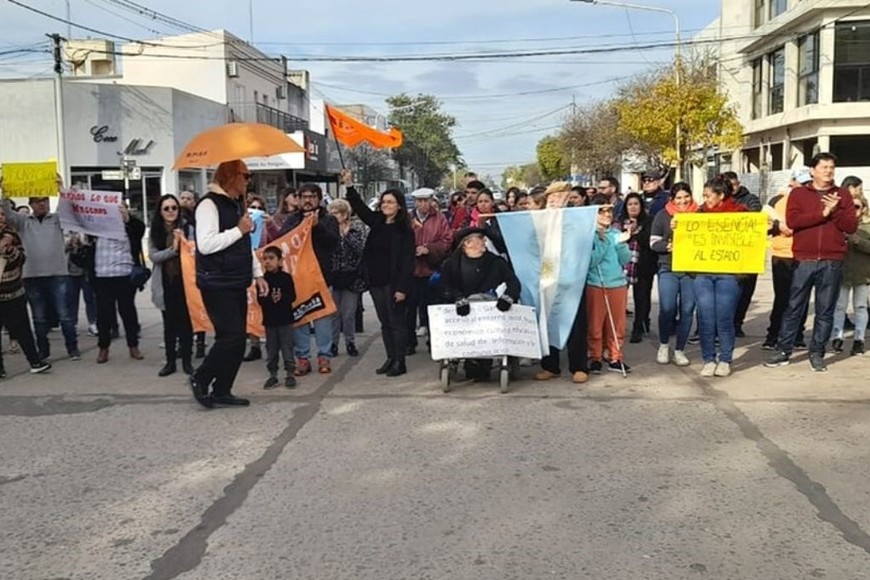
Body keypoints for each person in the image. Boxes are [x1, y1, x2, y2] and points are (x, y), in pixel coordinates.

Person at [766, 153, 859, 372]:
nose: (828, 171)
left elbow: (850, 226)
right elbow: (795, 221)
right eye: (824, 167)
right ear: (813, 170)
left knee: (825, 310)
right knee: (793, 306)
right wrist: (823, 212)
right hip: (803, 259)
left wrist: (834, 212)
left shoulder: (842, 195)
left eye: (832, 167)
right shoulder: (798, 194)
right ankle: (783, 350)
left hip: (832, 260)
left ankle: (817, 352)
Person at [189, 160, 268, 409]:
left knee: (235, 337)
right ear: (232, 177)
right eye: (245, 176)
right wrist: (239, 229)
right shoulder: (208, 205)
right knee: (232, 337)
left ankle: (222, 389)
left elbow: (246, 246)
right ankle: (201, 377)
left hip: (235, 279)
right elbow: (206, 244)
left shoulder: (235, 205)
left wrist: (258, 274)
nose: (248, 180)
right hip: (216, 281)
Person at [343, 169, 415, 377]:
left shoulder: (404, 231)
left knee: (396, 322)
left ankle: (400, 361)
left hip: (394, 283)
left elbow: (408, 261)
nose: (386, 205)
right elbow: (360, 208)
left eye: (390, 202)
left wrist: (402, 288)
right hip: (376, 280)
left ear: (399, 205)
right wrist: (349, 185)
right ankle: (390, 357)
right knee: (385, 322)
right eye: (384, 202)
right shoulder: (377, 222)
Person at [0, 193, 80, 361]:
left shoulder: (57, 219)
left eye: (44, 201)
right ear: (31, 205)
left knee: (65, 315)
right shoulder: (23, 221)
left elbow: (67, 208)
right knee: (39, 317)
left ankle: (72, 348)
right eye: (37, 202)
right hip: (32, 276)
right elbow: (7, 212)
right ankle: (43, 351)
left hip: (57, 274)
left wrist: (61, 189)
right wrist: (4, 192)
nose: (41, 204)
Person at [442, 228, 521, 381]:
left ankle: (491, 363)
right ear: (467, 243)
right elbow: (446, 286)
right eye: (480, 239)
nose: (484, 242)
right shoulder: (451, 264)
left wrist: (507, 298)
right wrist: (457, 298)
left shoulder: (496, 262)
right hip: (463, 312)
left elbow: (513, 282)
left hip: (491, 310)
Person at [276, 183, 339, 375]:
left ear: (318, 199)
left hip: (320, 278)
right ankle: (302, 358)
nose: (308, 200)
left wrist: (316, 226)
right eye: (303, 196)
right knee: (300, 320)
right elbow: (281, 241)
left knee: (322, 320)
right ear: (298, 199)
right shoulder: (291, 220)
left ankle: (324, 357)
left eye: (312, 196)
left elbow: (334, 242)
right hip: (297, 280)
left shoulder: (328, 219)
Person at [691, 176, 747, 378]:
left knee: (724, 319)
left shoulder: (740, 214)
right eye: (703, 196)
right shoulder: (698, 215)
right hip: (703, 274)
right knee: (705, 319)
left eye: (708, 195)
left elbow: (750, 241)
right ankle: (708, 359)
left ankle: (725, 359)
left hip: (728, 275)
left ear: (721, 195)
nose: (704, 200)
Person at [649, 182, 697, 367]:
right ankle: (664, 344)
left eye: (686, 197)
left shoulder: (699, 214)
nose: (683, 201)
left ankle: (680, 349)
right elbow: (654, 242)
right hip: (668, 268)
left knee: (687, 311)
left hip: (691, 271)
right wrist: (669, 245)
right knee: (667, 309)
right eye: (679, 197)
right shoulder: (662, 215)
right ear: (672, 199)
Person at [763, 167, 811, 350]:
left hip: (805, 255)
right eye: (802, 182)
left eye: (808, 182)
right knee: (782, 298)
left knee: (802, 298)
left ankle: (797, 335)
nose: (804, 186)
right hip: (782, 256)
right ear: (792, 182)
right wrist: (778, 225)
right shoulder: (776, 201)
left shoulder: (813, 200)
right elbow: (764, 225)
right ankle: (773, 335)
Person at [92, 203, 146, 364]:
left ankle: (133, 346)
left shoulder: (129, 225)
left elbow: (140, 230)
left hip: (124, 274)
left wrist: (127, 218)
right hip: (101, 275)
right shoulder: (95, 226)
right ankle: (103, 348)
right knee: (103, 315)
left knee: (128, 312)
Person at [149, 194, 194, 377]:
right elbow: (154, 256)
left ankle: (187, 362)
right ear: (160, 211)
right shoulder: (155, 231)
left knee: (186, 324)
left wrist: (183, 243)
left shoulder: (186, 227)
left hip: (184, 281)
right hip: (165, 282)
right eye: (166, 208)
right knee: (169, 325)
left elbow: (193, 252)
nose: (171, 212)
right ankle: (170, 362)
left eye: (174, 208)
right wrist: (173, 249)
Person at [587, 195, 632, 374]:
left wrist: (621, 244)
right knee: (595, 324)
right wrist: (604, 243)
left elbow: (625, 259)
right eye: (602, 211)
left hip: (617, 284)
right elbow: (591, 261)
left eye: (609, 210)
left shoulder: (615, 232)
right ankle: (595, 356)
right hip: (596, 283)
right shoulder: (588, 234)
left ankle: (615, 356)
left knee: (617, 324)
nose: (606, 214)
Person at [0, 229, 51, 378]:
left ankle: (35, 362)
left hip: (14, 295)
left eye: (2, 215)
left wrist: (8, 250)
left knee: (23, 330)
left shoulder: (12, 235)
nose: (1, 218)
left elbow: (20, 259)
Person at [408, 188, 453, 353]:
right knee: (410, 308)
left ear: (431, 201)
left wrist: (429, 249)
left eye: (425, 200)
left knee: (433, 307)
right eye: (419, 201)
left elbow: (447, 241)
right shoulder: (408, 218)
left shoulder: (439, 218)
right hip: (412, 270)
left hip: (431, 270)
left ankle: (434, 342)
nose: (422, 204)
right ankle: (409, 343)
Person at [831, 177, 869, 356]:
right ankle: (837, 336)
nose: (854, 211)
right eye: (851, 207)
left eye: (857, 207)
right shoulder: (840, 224)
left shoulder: (867, 227)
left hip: (863, 273)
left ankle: (859, 339)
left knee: (860, 307)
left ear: (863, 209)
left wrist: (857, 240)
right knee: (840, 306)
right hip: (842, 272)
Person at [722, 171, 763, 338]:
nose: (732, 188)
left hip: (747, 253)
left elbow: (755, 213)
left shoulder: (750, 198)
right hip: (725, 253)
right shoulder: (718, 199)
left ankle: (737, 322)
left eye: (734, 184)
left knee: (745, 292)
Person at [328, 198, 367, 357]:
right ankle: (333, 344)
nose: (333, 216)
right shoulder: (329, 229)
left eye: (336, 213)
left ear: (345, 214)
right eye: (331, 213)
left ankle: (350, 342)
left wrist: (346, 236)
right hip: (334, 276)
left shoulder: (357, 228)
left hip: (352, 276)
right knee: (334, 314)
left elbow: (361, 249)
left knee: (349, 313)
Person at [617, 192, 656, 343]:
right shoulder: (620, 222)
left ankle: (639, 326)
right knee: (621, 298)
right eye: (630, 204)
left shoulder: (649, 221)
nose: (633, 207)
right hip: (624, 266)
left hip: (643, 265)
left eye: (636, 204)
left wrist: (635, 233)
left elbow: (649, 242)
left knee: (642, 298)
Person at [258, 245, 297, 389]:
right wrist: (270, 299)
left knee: (287, 347)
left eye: (271, 258)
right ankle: (273, 374)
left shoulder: (286, 278)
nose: (267, 262)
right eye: (265, 259)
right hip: (270, 321)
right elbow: (260, 300)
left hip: (285, 320)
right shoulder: (262, 281)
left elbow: (292, 296)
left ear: (280, 261)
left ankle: (290, 373)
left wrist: (281, 298)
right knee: (272, 348)